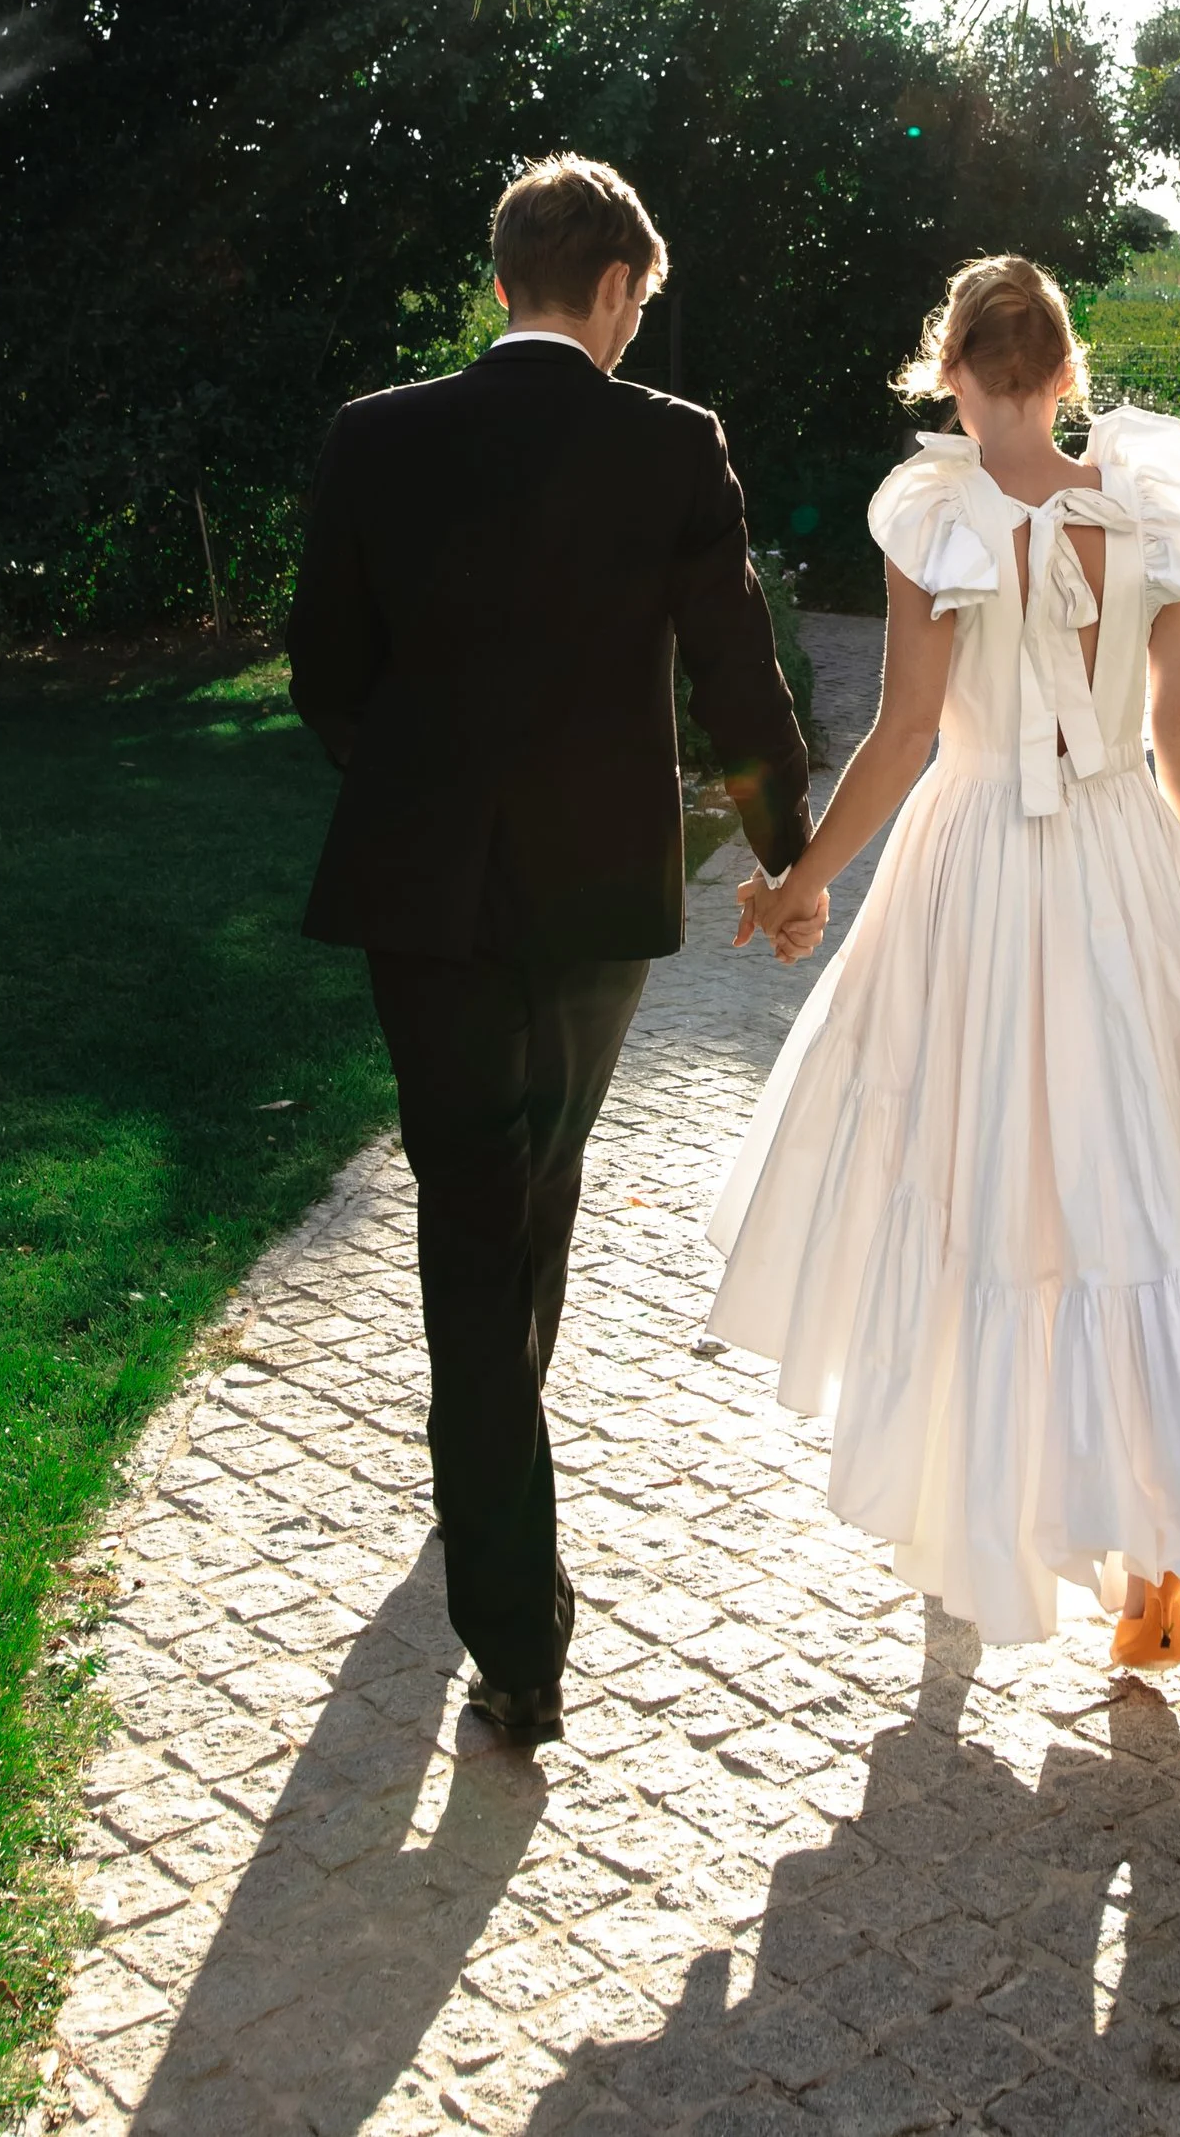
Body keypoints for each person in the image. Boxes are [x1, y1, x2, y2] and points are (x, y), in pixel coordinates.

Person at [706, 253, 1180, 1664]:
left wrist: (797, 883)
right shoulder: (1154, 505)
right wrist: (1160, 884)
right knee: (1151, 1190)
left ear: (949, 367)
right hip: (1123, 854)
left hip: (974, 874)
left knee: (981, 1179)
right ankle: (1163, 1549)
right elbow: (1179, 727)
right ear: (1068, 372)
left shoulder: (932, 513)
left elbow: (902, 736)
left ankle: (977, 1505)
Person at [287, 155, 818, 1744]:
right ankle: (517, 1617)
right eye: (639, 299)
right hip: (594, 905)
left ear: (508, 274)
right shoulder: (672, 445)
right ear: (605, 286)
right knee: (531, 1185)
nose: (639, 326)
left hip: (422, 899)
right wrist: (787, 854)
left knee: (479, 1195)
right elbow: (737, 675)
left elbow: (327, 670)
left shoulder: (373, 436)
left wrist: (417, 796)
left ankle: (487, 1495)